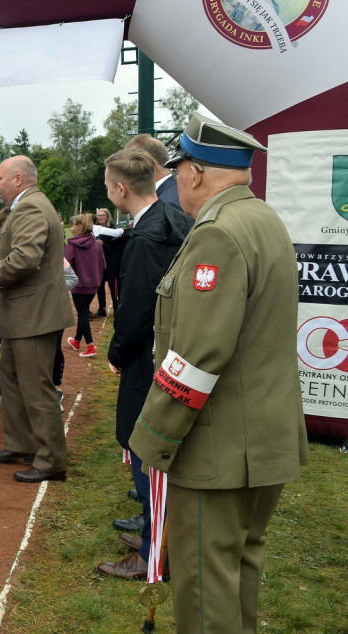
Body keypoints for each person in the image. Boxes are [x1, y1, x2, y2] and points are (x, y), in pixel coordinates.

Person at [128, 113, 308, 632]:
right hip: (262, 438)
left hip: (220, 444)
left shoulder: (219, 233)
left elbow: (197, 357)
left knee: (205, 585)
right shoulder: (262, 218)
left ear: (197, 173)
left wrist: (152, 438)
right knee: (238, 566)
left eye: (181, 168)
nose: (179, 180)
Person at [93, 148, 194, 580]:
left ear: (120, 188)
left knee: (144, 447)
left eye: (106, 184)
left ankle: (155, 552)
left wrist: (116, 353)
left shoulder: (149, 236)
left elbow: (135, 310)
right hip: (170, 352)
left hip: (149, 358)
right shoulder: (174, 220)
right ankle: (159, 534)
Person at [0, 156, 73, 483]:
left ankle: (51, 461)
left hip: (33, 315)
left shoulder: (31, 207)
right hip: (23, 313)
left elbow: (26, 257)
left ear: (18, 179)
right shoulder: (27, 206)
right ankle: (22, 443)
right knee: (13, 381)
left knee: (36, 388)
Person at [65, 214, 106, 358]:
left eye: (73, 225)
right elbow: (103, 264)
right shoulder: (96, 244)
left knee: (82, 313)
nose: (71, 228)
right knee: (84, 311)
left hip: (78, 284)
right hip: (94, 284)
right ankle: (77, 341)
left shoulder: (72, 244)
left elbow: (65, 263)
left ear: (80, 227)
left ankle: (90, 346)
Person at [127, 133, 182, 211]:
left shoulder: (166, 205)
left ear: (150, 163)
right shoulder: (175, 193)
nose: (127, 173)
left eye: (132, 165)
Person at [92, 208, 123, 317]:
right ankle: (102, 308)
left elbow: (116, 248)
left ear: (107, 217)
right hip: (99, 262)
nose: (99, 217)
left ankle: (116, 307)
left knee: (113, 285)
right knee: (99, 286)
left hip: (111, 262)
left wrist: (103, 244)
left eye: (102, 215)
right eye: (98, 215)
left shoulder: (113, 230)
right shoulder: (95, 230)